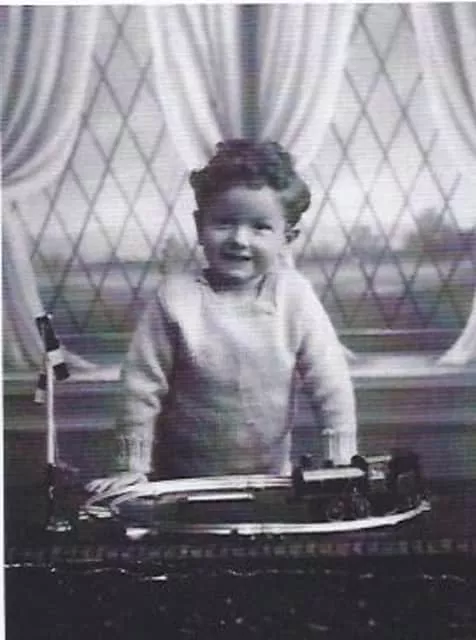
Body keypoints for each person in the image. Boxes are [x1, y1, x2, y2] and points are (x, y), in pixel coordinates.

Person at [87, 140, 357, 494]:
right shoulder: (175, 298)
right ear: (200, 226)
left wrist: (340, 461)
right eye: (225, 223)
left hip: (269, 481)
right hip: (180, 482)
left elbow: (331, 384)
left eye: (260, 227)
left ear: (286, 238)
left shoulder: (295, 297)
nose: (239, 239)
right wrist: (130, 467)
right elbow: (140, 388)